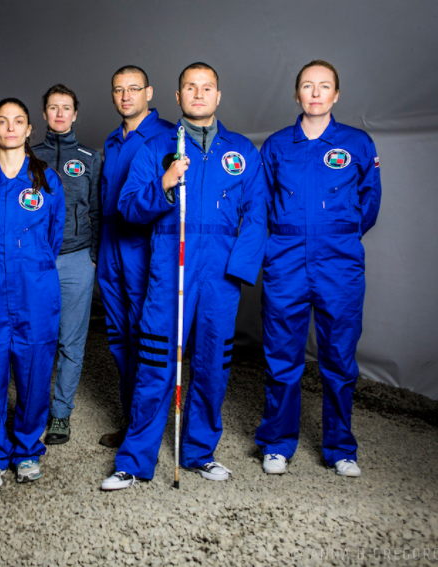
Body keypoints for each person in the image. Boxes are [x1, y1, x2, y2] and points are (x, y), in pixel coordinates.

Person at [102, 62, 267, 489]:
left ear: (218, 95)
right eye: (190, 87)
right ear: (177, 97)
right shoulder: (156, 146)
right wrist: (165, 183)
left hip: (220, 273)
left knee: (213, 364)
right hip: (170, 267)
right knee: (156, 362)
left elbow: (257, 214)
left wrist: (238, 270)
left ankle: (199, 452)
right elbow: (128, 207)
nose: (198, 94)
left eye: (206, 87)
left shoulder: (242, 150)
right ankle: (135, 460)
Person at [255, 60, 382, 477]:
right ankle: (277, 443)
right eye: (307, 86)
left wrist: (338, 235)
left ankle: (340, 448)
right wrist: (284, 244)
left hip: (339, 264)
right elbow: (262, 204)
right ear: (297, 94)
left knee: (340, 359)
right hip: (286, 260)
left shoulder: (357, 143)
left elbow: (369, 203)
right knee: (281, 356)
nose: (315, 93)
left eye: (324, 86)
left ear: (336, 95)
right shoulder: (276, 145)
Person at [0, 98, 65, 488]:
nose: (10, 128)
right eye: (3, 121)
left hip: (35, 288)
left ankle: (26, 450)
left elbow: (54, 237)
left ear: (29, 129)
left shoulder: (46, 180)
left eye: (18, 121)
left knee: (34, 371)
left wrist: (29, 265)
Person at [97, 66, 174, 448]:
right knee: (119, 339)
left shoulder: (169, 137)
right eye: (118, 90)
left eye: (133, 88)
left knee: (148, 339)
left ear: (149, 92)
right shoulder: (112, 141)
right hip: (110, 245)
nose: (126, 96)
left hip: (144, 247)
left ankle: (146, 429)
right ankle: (132, 421)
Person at [31, 84, 102, 444]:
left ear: (75, 114)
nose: (60, 114)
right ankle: (32, 410)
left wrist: (93, 257)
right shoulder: (27, 156)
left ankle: (60, 413)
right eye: (53, 108)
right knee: (35, 339)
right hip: (36, 262)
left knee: (70, 342)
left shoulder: (90, 158)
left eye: (66, 108)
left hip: (77, 259)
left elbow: (98, 210)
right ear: (44, 113)